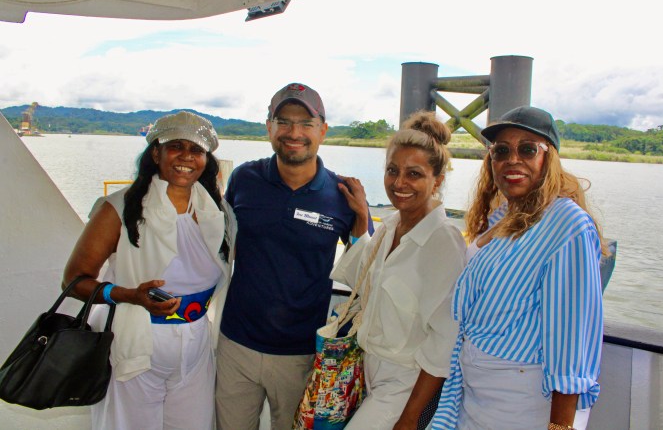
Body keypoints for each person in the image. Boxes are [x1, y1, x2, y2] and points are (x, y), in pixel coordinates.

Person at [432, 106, 606, 430]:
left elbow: (572, 340)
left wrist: (560, 427)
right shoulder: (504, 217)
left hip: (522, 400)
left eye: (527, 149)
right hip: (476, 393)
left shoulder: (567, 225)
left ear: (548, 157)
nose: (513, 159)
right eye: (501, 150)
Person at [62, 111, 234, 430]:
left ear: (206, 160)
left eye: (196, 150)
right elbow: (74, 281)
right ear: (156, 153)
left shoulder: (217, 213)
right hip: (135, 340)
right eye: (175, 146)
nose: (186, 156)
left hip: (195, 343)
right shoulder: (118, 208)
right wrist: (128, 295)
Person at [215, 82, 371, 430]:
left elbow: (366, 272)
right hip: (235, 345)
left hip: (301, 354)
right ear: (268, 127)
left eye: (306, 123)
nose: (294, 133)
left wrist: (362, 217)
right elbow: (222, 244)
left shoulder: (342, 193)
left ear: (323, 131)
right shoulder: (244, 178)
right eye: (283, 121)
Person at [331, 111, 468, 430]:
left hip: (404, 384)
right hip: (366, 370)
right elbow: (361, 280)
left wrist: (410, 418)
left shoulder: (442, 242)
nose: (399, 183)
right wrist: (361, 218)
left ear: (438, 179)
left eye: (414, 174)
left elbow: (444, 340)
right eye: (392, 171)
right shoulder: (391, 224)